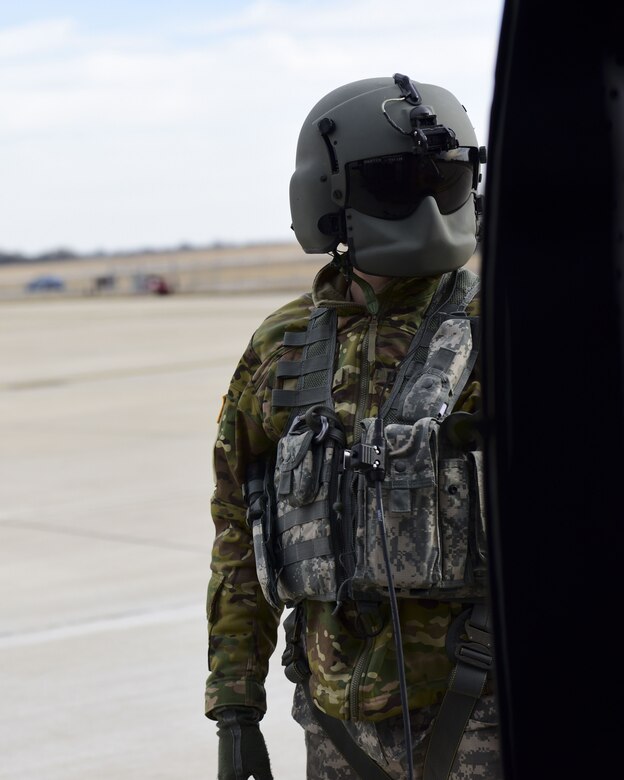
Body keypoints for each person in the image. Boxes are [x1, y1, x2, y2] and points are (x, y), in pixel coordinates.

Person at [205, 73, 500, 780]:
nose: (427, 207)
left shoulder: (507, 328)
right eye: (395, 184)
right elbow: (238, 531)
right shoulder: (280, 348)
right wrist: (236, 708)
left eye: (446, 181)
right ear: (328, 201)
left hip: (486, 714)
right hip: (334, 727)